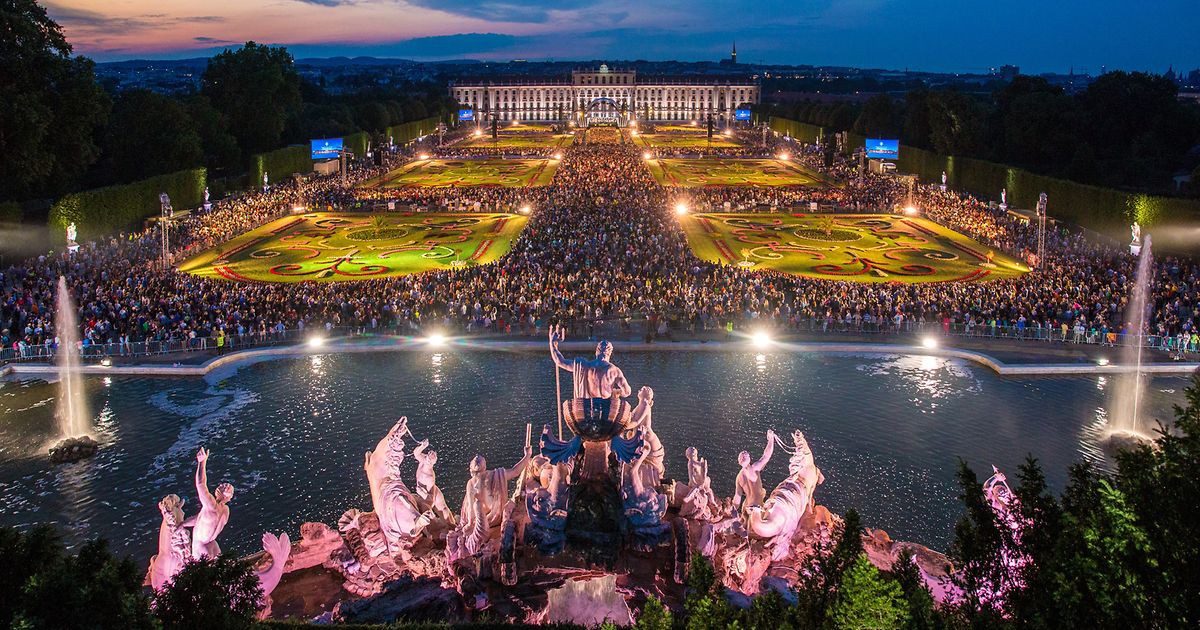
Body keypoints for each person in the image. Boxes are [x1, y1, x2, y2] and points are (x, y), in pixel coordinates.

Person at [548, 325, 631, 399]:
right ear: (610, 353)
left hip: (585, 409)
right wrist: (616, 392)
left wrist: (552, 344)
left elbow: (559, 361)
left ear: (597, 351)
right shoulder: (615, 371)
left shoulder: (583, 366)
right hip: (606, 410)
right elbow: (627, 392)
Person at [185, 447, 233, 559]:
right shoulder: (225, 510)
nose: (221, 484)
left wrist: (202, 462)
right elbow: (202, 519)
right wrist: (183, 524)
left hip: (200, 545)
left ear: (225, 494)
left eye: (224, 486)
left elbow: (201, 484)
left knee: (204, 575)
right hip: (212, 543)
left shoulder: (212, 505)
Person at [733, 429, 776, 513]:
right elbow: (766, 456)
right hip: (758, 507)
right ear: (749, 459)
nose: (745, 456)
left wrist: (733, 510)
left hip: (748, 508)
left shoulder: (739, 477)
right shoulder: (754, 468)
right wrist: (771, 439)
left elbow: (737, 497)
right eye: (745, 455)